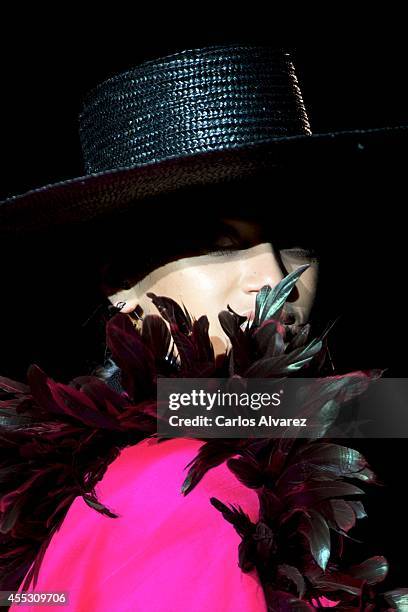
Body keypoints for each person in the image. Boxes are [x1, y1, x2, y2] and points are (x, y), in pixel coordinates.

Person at [0, 44, 407, 611]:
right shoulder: (184, 482)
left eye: (295, 243)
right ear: (119, 282)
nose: (273, 278)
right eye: (221, 246)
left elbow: (357, 407)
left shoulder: (134, 447)